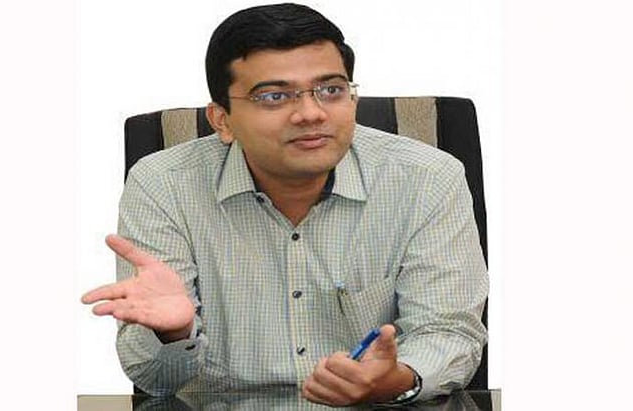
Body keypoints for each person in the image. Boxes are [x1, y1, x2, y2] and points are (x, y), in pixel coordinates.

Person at [82, 3, 488, 406]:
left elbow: (448, 332)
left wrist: (397, 379)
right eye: (274, 96)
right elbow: (156, 382)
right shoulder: (163, 185)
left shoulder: (427, 178)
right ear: (222, 119)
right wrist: (174, 335)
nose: (311, 113)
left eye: (331, 90)